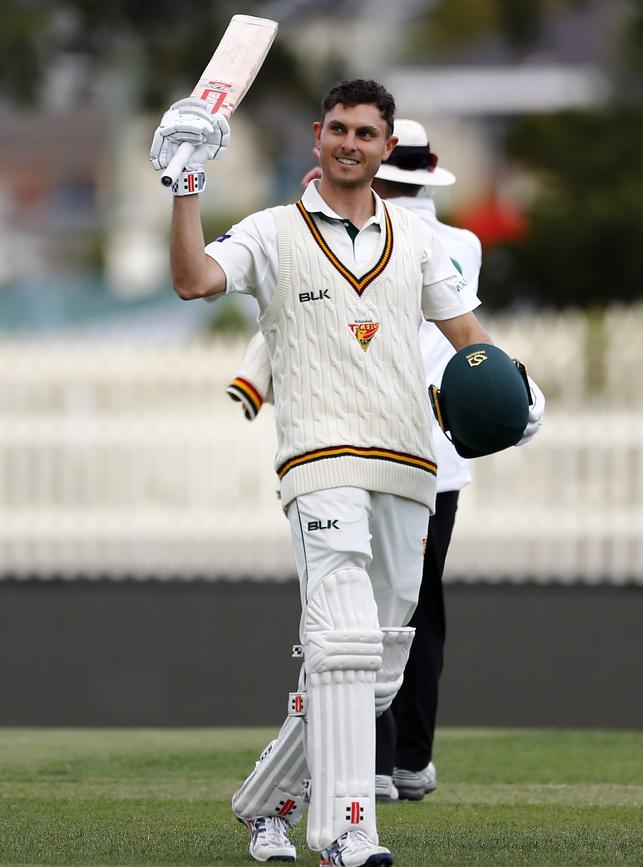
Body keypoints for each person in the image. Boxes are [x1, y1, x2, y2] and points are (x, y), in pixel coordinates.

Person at [149, 79, 525, 867]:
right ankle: (346, 830)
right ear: (317, 135)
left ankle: (265, 804)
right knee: (345, 643)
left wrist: (516, 388)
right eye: (338, 129)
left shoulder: (421, 242)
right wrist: (187, 187)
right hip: (320, 459)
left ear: (387, 149)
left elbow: (466, 334)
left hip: (409, 464)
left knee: (376, 667)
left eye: (366, 133)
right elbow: (192, 279)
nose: (350, 143)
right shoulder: (270, 231)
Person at [225, 119, 545, 806]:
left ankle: (365, 767)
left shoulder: (429, 242)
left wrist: (324, 205)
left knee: (368, 620)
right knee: (398, 617)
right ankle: (395, 762)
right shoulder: (433, 237)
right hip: (422, 454)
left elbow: (453, 326)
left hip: (409, 449)